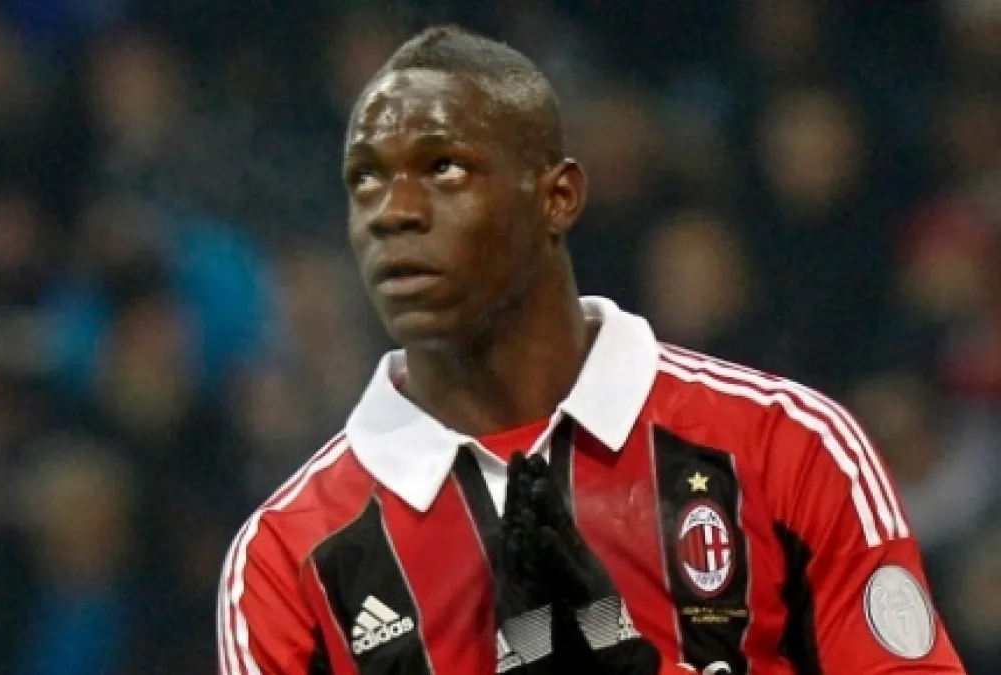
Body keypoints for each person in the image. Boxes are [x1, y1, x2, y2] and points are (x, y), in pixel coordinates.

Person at [217, 25, 966, 674]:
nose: (394, 212)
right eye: (365, 180)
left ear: (559, 197)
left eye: (443, 167)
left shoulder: (786, 446)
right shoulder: (287, 561)